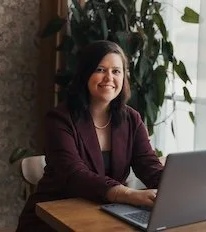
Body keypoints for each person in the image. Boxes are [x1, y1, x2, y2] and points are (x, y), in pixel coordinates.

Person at [16, 40, 164, 231]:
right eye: (100, 70)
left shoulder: (131, 119)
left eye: (116, 71)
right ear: (85, 74)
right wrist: (127, 194)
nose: (109, 78)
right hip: (52, 220)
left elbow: (149, 165)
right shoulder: (59, 119)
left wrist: (174, 188)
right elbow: (75, 174)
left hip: (104, 217)